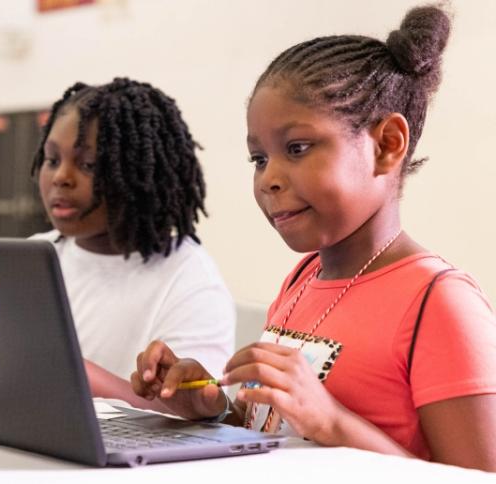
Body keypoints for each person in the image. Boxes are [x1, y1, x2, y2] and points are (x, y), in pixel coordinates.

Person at [131, 5, 496, 471]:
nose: (269, 180)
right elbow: (279, 427)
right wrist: (214, 408)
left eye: (297, 149)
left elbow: (475, 479)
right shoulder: (303, 278)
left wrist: (334, 423)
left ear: (386, 145)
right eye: (258, 159)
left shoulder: (440, 301)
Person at [29, 78, 234, 411]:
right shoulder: (35, 255)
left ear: (141, 173)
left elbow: (194, 417)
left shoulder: (189, 278)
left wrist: (82, 377)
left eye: (88, 165)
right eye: (52, 160)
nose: (60, 177)